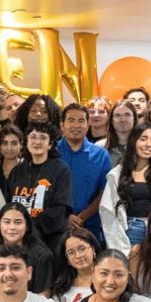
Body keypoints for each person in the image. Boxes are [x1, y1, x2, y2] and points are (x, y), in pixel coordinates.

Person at [100, 123, 151, 256]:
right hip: (130, 232)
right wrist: (120, 249)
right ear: (133, 141)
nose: (148, 144)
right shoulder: (117, 174)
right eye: (143, 139)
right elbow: (107, 211)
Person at [4, 120, 72, 248]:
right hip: (18, 240)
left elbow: (59, 211)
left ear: (50, 144)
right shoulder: (17, 171)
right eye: (33, 137)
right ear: (26, 142)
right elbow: (8, 206)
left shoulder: (61, 170)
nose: (37, 142)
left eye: (43, 138)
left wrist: (27, 228)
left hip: (49, 242)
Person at [58, 102, 111, 243]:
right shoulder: (52, 152)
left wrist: (81, 218)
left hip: (90, 228)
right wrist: (65, 217)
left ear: (88, 126)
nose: (76, 125)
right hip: (56, 228)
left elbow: (104, 192)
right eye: (71, 120)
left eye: (81, 121)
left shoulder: (101, 154)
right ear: (62, 125)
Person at [0, 203, 55, 297]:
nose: (12, 227)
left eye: (18, 222)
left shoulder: (41, 256)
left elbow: (43, 296)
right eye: (7, 222)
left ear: (27, 226)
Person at [49, 227, 100, 302]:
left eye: (82, 249)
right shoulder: (62, 287)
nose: (78, 256)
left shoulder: (109, 279)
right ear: (67, 258)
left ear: (93, 249)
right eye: (71, 252)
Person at [98, 99, 136, 167]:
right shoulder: (99, 147)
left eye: (127, 115)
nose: (122, 119)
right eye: (117, 115)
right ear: (111, 120)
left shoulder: (143, 147)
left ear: (134, 118)